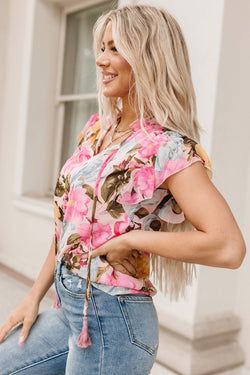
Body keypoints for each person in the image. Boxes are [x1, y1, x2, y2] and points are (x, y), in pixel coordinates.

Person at [0, 5, 246, 375]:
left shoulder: (168, 148)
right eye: (102, 47)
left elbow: (229, 247)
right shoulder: (97, 130)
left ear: (148, 57)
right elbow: (69, 225)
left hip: (114, 322)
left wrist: (132, 241)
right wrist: (33, 297)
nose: (100, 59)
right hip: (69, 309)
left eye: (116, 48)